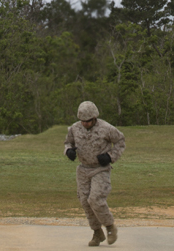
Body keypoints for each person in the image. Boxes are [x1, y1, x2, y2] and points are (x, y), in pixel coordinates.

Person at [64, 101, 125, 247]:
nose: (85, 124)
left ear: (94, 118)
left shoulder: (107, 128)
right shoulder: (74, 128)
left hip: (101, 169)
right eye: (82, 121)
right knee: (85, 202)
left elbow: (120, 141)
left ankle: (110, 227)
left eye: (88, 121)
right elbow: (68, 143)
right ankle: (97, 232)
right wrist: (69, 151)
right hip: (83, 170)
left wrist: (110, 157)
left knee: (95, 199)